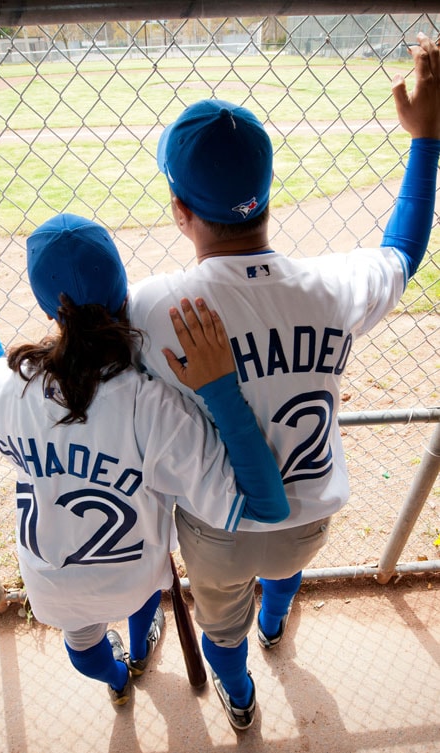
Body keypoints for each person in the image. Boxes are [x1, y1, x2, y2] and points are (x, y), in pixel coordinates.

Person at [129, 32, 440, 729]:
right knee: (283, 567)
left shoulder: (155, 307)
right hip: (311, 515)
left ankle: (239, 693)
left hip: (218, 525)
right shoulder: (330, 289)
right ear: (268, 192)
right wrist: (427, 138)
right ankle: (276, 622)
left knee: (221, 625)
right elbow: (404, 250)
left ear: (181, 211)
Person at [0, 213, 289, 708]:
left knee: (83, 653)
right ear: (123, 292)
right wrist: (216, 389)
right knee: (142, 598)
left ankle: (119, 681)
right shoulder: (152, 404)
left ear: (46, 308)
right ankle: (143, 641)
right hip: (137, 576)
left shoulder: (10, 390)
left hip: (53, 585)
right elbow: (267, 506)